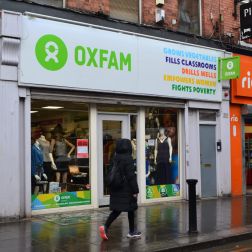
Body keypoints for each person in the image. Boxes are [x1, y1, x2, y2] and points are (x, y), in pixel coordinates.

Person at [99, 139, 141, 240]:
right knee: (131, 208)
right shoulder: (128, 159)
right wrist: (135, 190)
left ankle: (106, 226)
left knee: (117, 210)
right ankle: (131, 232)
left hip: (116, 187)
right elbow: (131, 176)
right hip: (126, 188)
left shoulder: (115, 158)